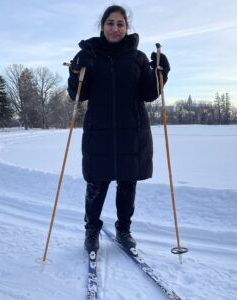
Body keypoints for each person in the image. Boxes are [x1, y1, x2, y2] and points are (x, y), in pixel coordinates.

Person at [67, 5, 170, 253]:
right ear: (102, 26)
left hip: (131, 133)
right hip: (99, 132)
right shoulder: (90, 55)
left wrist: (161, 73)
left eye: (120, 24)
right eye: (110, 23)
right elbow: (77, 95)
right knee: (96, 184)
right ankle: (92, 230)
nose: (115, 28)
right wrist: (75, 71)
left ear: (126, 27)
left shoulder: (138, 58)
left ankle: (123, 230)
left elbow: (149, 93)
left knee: (127, 184)